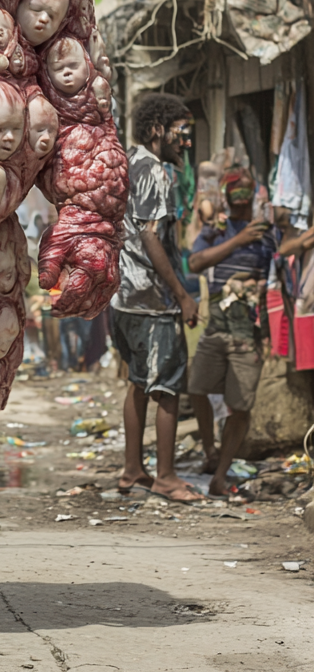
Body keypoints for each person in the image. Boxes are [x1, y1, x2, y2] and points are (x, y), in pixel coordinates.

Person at [112, 93, 203, 502]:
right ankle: (166, 476)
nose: (186, 142)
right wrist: (182, 295)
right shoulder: (153, 170)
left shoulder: (127, 162)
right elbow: (150, 236)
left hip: (123, 298)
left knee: (138, 383)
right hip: (152, 299)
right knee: (166, 387)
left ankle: (133, 470)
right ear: (157, 130)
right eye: (181, 133)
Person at [187, 167, 280, 497]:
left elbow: (276, 276)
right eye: (235, 196)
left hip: (246, 333)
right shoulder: (217, 229)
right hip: (216, 328)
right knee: (197, 389)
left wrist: (267, 334)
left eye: (246, 195)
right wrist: (238, 240)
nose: (241, 203)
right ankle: (211, 453)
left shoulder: (267, 234)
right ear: (226, 197)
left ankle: (221, 474)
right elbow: (195, 263)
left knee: (239, 406)